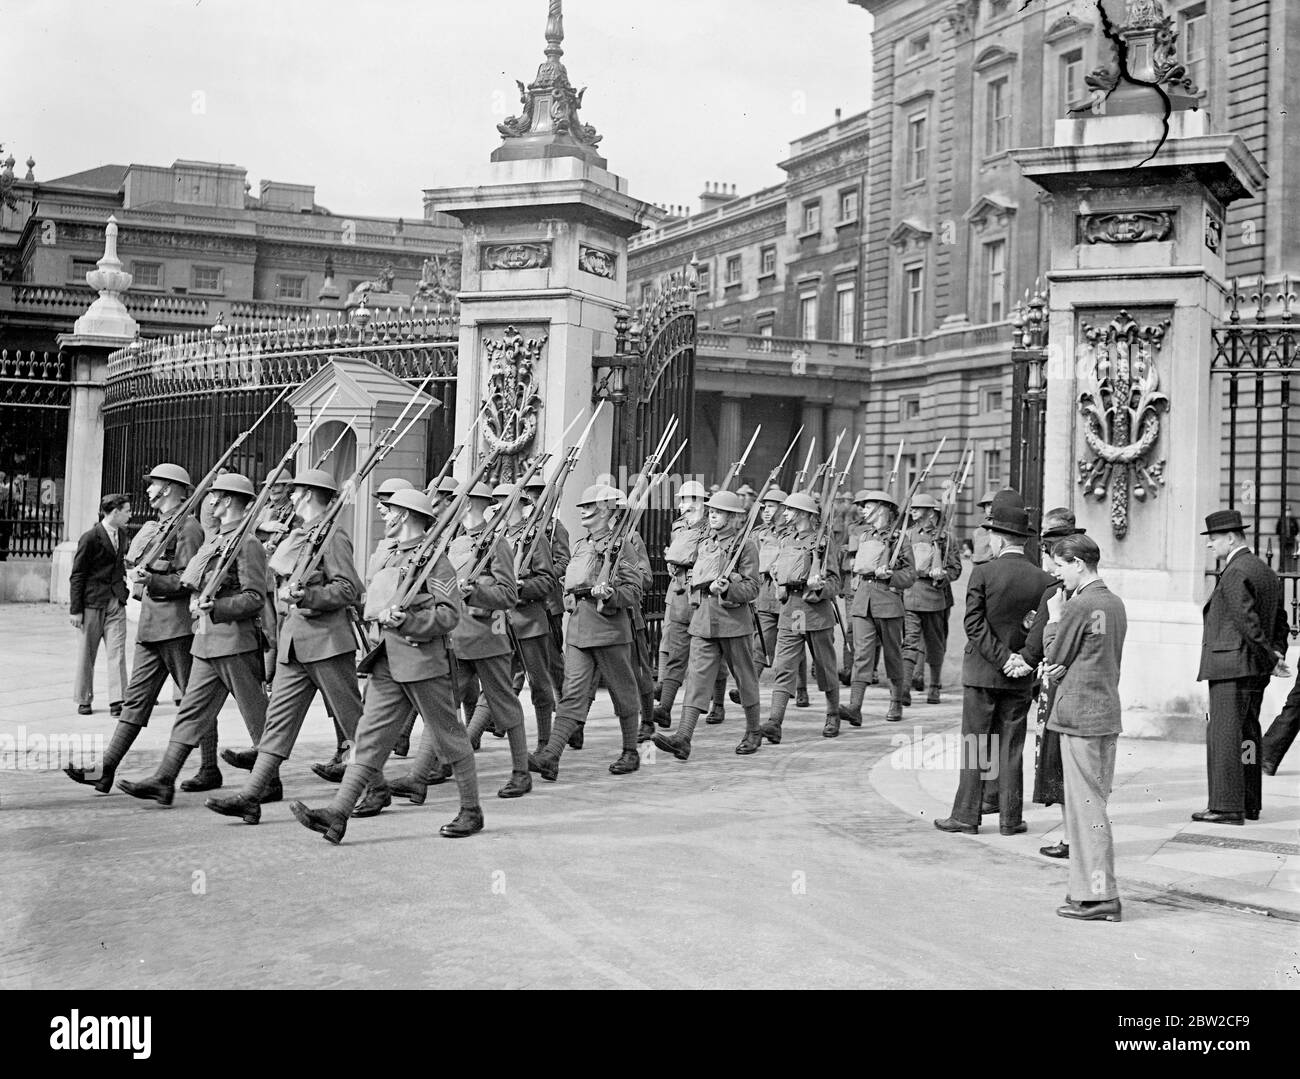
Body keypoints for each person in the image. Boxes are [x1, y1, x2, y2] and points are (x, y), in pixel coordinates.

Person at [297, 487, 484, 842]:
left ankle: (471, 810)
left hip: (423, 662)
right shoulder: (396, 556)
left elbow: (449, 615)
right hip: (387, 660)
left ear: (406, 516)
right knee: (369, 737)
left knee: (449, 737)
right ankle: (338, 813)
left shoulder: (436, 561)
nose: (384, 515)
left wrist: (409, 621)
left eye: (390, 510)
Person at [204, 468, 365, 824]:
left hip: (326, 643)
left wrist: (309, 595)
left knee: (353, 723)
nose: (289, 497)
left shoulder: (333, 536)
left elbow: (349, 588)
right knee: (277, 724)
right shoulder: (303, 534)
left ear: (308, 495)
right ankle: (251, 795)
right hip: (295, 643)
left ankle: (377, 787)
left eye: (295, 493)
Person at [116, 474, 270, 804]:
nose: (208, 501)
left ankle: (268, 780)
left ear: (227, 501)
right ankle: (164, 779)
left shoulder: (248, 544)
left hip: (235, 643)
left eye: (214, 496)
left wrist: (219, 606)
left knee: (257, 714)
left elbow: (255, 597)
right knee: (190, 712)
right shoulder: (217, 539)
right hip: (206, 641)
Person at [65, 463, 208, 794]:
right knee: (135, 702)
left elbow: (190, 579)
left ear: (169, 489)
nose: (147, 490)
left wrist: (153, 579)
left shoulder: (188, 529)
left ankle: (209, 768)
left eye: (153, 484)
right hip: (151, 627)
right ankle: (105, 768)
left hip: (176, 627)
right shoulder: (159, 527)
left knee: (196, 699)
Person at [934, 497, 1054, 836]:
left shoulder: (983, 573)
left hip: (983, 672)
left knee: (976, 743)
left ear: (999, 539)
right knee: (1011, 746)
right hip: (1019, 676)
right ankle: (1010, 819)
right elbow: (1043, 628)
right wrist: (1020, 660)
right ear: (1024, 539)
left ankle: (966, 816)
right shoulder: (1043, 579)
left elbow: (973, 625)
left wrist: (1000, 658)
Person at [528, 485, 646, 782]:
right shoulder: (582, 544)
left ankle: (632, 751)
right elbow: (570, 583)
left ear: (605, 510)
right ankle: (551, 756)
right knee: (572, 693)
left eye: (589, 506)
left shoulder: (622, 545)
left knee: (623, 690)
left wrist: (611, 593)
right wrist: (571, 600)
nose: (582, 510)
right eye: (581, 506)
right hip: (580, 627)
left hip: (608, 629)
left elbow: (635, 589)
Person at [1044, 534, 1128, 922]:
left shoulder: (1078, 605)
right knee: (1092, 806)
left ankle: (1099, 895)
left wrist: (1054, 619)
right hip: (1104, 715)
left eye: (1059, 566)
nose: (1055, 573)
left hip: (1079, 718)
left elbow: (1053, 656)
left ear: (1078, 563)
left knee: (1086, 810)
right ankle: (1090, 892)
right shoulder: (1115, 602)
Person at [1195, 509, 1288, 825]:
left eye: (1214, 538)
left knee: (1224, 736)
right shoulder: (1263, 570)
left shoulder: (1235, 572)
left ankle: (1226, 806)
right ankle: (1248, 802)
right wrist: (1275, 654)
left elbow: (1247, 623)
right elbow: (1280, 622)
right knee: (1248, 734)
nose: (1210, 545)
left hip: (1230, 667)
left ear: (1231, 538)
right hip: (1252, 670)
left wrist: (1270, 659)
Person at [654, 489, 762, 759]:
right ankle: (683, 737)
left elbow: (753, 587)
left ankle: (753, 731)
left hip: (734, 622)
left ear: (734, 516)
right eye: (711, 510)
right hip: (703, 621)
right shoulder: (704, 543)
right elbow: (691, 579)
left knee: (745, 678)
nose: (713, 514)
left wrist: (728, 589)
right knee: (697, 679)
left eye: (720, 511)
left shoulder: (745, 546)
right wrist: (701, 591)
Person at [1010, 507, 1083, 858]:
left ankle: (1073, 839)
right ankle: (1073, 837)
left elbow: (1041, 640)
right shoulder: (1090, 591)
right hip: (1079, 688)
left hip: (1059, 689)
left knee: (1060, 764)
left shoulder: (1057, 592)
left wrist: (1022, 661)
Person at [453, 483, 533, 799]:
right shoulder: (456, 542)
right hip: (457, 635)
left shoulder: (497, 544)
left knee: (504, 704)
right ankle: (431, 769)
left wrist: (474, 591)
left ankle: (521, 773)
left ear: (471, 503)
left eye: (457, 500)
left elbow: (509, 595)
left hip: (489, 636)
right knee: (444, 702)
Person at [760, 491, 842, 743]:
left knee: (825, 666)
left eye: (789, 509)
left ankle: (833, 713)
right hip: (792, 610)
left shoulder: (824, 542)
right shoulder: (787, 539)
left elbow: (836, 583)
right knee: (784, 666)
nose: (784, 513)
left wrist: (819, 586)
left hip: (816, 613)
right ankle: (775, 721)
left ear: (804, 514)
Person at [842, 489, 916, 727]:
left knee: (892, 655)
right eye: (861, 505)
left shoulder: (900, 539)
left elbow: (910, 575)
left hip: (888, 603)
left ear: (882, 508)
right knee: (861, 655)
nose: (862, 509)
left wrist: (891, 576)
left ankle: (895, 702)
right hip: (863, 601)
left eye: (867, 505)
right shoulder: (864, 536)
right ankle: (855, 707)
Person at [69, 493, 131, 717]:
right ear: (114, 512)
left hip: (115, 601)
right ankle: (83, 699)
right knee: (87, 653)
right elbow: (77, 575)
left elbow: (119, 564)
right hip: (92, 603)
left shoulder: (122, 534)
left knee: (118, 652)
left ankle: (118, 700)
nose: (130, 514)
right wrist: (75, 610)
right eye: (126, 511)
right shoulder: (90, 537)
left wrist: (123, 588)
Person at [655, 480, 709, 728]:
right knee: (676, 652)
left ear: (699, 502)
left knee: (704, 660)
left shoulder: (711, 528)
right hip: (679, 594)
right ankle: (664, 708)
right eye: (681, 500)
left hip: (701, 597)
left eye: (686, 500)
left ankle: (717, 704)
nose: (681, 505)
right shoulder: (678, 527)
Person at [901, 492, 962, 705]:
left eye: (917, 508)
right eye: (913, 508)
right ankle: (904, 688)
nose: (913, 511)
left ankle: (934, 686)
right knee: (909, 642)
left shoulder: (945, 537)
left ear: (930, 512)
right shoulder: (907, 535)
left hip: (935, 597)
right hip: (910, 595)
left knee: (935, 644)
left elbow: (955, 568)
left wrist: (943, 576)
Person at [970, 489, 997, 564]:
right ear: (984, 508)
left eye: (993, 505)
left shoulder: (1005, 531)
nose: (991, 508)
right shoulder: (977, 532)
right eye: (988, 505)